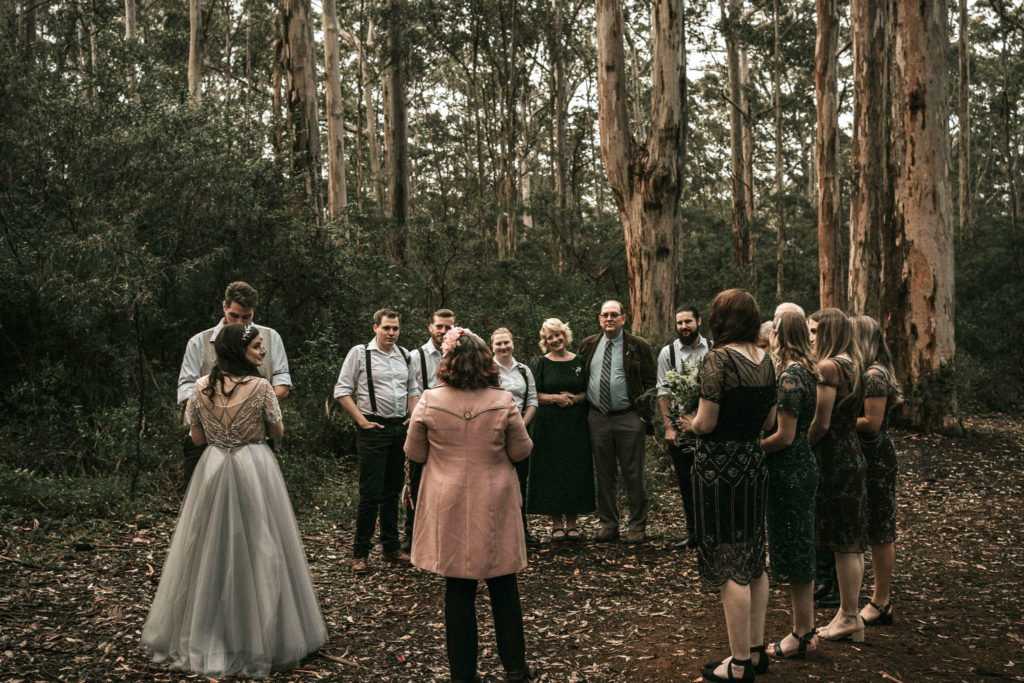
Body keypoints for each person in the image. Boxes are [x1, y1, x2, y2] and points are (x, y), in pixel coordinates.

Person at [143, 323, 327, 678]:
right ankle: (262, 637)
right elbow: (277, 432)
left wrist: (220, 430)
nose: (262, 352)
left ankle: (208, 632)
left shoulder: (200, 388)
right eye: (258, 347)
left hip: (212, 468)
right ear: (239, 351)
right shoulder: (261, 387)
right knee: (261, 544)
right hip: (254, 467)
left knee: (208, 549)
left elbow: (196, 439)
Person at [405, 328, 533, 682]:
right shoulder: (502, 399)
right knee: (504, 587)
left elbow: (414, 452)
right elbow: (521, 451)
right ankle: (516, 670)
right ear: (486, 362)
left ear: (448, 362)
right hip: (494, 500)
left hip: (449, 501)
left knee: (458, 589)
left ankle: (463, 675)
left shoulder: (431, 400)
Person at [680, 289, 777, 682]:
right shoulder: (767, 360)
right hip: (753, 464)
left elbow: (706, 423)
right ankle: (755, 650)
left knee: (727, 558)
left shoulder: (717, 361)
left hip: (720, 469)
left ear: (721, 320)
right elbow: (769, 423)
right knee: (753, 551)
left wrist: (688, 422)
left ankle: (738, 665)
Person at [176, 281, 291, 485]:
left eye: (246, 317)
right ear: (224, 307)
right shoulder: (198, 342)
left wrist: (253, 404)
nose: (240, 322)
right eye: (234, 316)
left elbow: (282, 383)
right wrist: (216, 409)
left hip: (255, 442)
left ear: (253, 312)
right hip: (207, 440)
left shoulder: (270, 338)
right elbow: (185, 389)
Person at [334, 308, 420, 574]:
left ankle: (391, 547)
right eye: (386, 328)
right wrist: (361, 421)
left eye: (395, 328)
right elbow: (341, 390)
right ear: (375, 328)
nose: (391, 333)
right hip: (373, 429)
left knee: (392, 492)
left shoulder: (405, 355)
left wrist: (412, 416)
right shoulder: (360, 353)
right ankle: (360, 554)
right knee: (370, 493)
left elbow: (413, 390)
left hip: (399, 428)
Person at [761, 312, 820, 659]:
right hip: (800, 465)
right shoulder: (806, 372)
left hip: (790, 470)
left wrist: (752, 449)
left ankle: (803, 633)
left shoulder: (790, 377)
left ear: (780, 336)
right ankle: (805, 628)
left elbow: (783, 436)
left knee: (797, 548)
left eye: (773, 330)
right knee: (800, 544)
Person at [807, 308, 868, 643]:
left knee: (844, 542)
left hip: (835, 461)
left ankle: (848, 616)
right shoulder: (854, 363)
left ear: (828, 333)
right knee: (852, 543)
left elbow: (821, 422)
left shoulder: (830, 366)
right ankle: (850, 615)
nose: (811, 338)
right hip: (852, 455)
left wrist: (800, 447)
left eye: (815, 331)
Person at [578, 300, 657, 543]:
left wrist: (643, 415)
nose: (609, 319)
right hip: (597, 417)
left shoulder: (637, 346)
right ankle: (608, 525)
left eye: (614, 315)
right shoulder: (589, 345)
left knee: (633, 473)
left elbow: (651, 382)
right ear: (599, 319)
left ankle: (636, 526)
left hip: (628, 417)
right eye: (605, 315)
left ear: (624, 318)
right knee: (604, 474)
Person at [850, 315, 902, 628]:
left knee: (881, 527)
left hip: (876, 456)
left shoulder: (874, 375)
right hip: (863, 454)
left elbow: (872, 422)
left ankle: (882, 601)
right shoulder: (867, 372)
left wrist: (838, 421)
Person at [526, 319, 594, 541]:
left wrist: (574, 398)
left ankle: (573, 524)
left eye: (558, 335)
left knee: (574, 470)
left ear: (565, 336)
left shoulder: (580, 361)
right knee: (552, 471)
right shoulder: (540, 363)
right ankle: (556, 524)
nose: (555, 340)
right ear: (544, 341)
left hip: (575, 425)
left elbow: (588, 392)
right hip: (548, 426)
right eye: (550, 337)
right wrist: (555, 398)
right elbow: (533, 395)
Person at [402, 308, 456, 553]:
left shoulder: (459, 354)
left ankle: (443, 534)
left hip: (453, 429)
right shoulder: (415, 356)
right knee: (416, 480)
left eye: (448, 327)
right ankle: (412, 535)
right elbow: (409, 390)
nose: (443, 331)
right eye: (440, 326)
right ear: (430, 327)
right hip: (425, 426)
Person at [657, 305, 710, 549]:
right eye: (679, 323)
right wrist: (669, 427)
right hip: (680, 428)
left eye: (688, 322)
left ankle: (711, 532)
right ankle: (693, 533)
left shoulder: (713, 349)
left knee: (709, 481)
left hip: (709, 427)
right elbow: (663, 391)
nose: (683, 327)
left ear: (699, 321)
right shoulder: (667, 353)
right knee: (686, 481)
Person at [492, 328, 540, 547]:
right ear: (492, 346)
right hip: (494, 433)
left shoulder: (523, 370)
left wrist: (521, 424)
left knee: (520, 482)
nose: (503, 347)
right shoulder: (487, 369)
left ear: (513, 343)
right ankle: (497, 532)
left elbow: (532, 400)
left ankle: (521, 531)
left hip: (520, 431)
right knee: (497, 483)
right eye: (498, 343)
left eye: (506, 342)